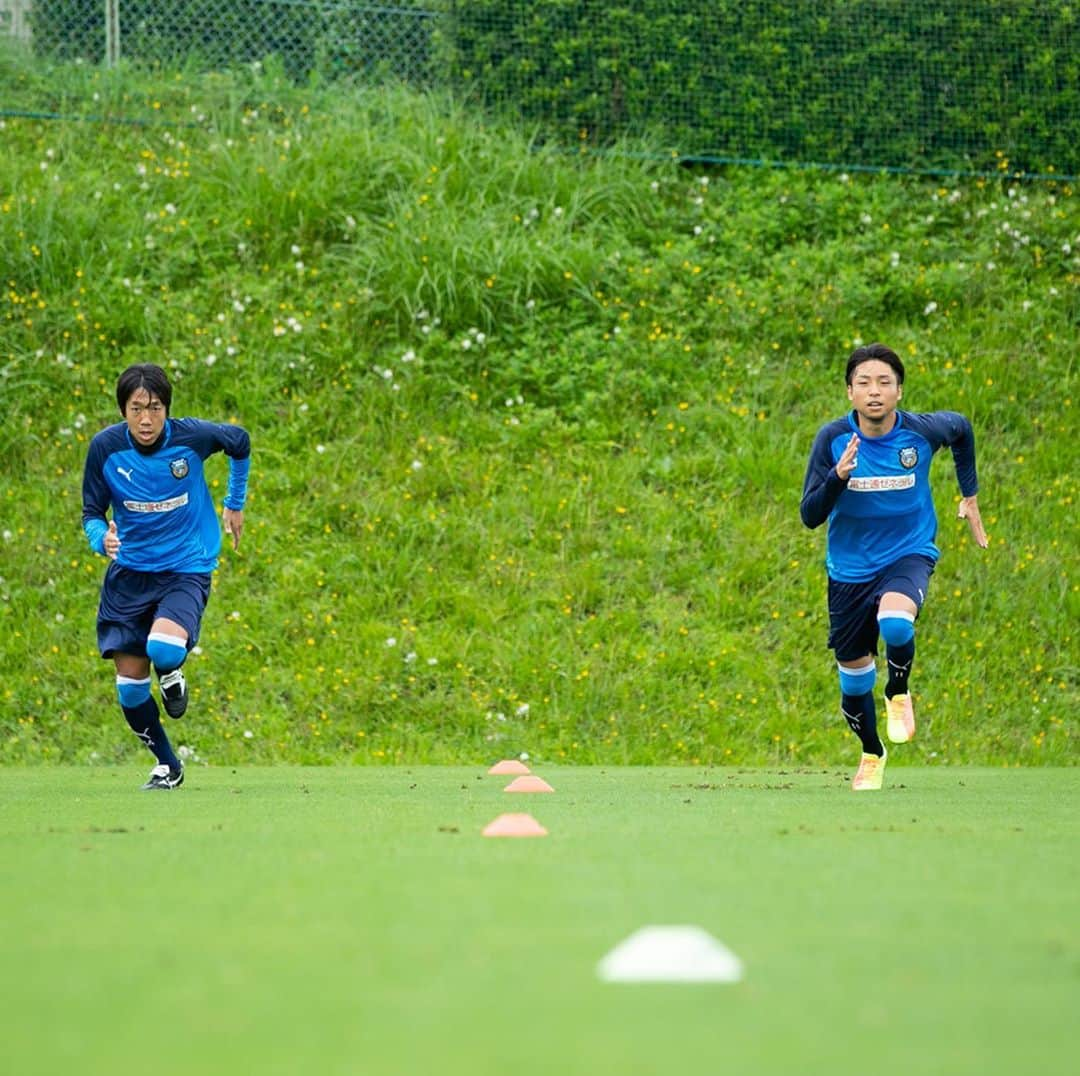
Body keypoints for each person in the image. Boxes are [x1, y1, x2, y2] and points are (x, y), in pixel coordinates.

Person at [800, 343, 987, 791]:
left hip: (908, 552)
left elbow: (961, 430)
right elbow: (810, 515)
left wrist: (970, 494)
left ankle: (897, 691)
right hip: (848, 570)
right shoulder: (833, 440)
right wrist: (837, 478)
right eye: (864, 382)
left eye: (884, 382)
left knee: (897, 622)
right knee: (852, 679)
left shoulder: (922, 432)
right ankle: (871, 752)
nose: (875, 391)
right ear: (850, 393)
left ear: (899, 391)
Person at [81, 363, 251, 790]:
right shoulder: (105, 449)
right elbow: (91, 514)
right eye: (137, 408)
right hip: (129, 577)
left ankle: (172, 672)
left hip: (184, 569)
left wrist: (234, 502)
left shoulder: (191, 437)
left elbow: (240, 442)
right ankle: (167, 765)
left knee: (164, 647)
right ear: (123, 410)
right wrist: (102, 540)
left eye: (155, 408)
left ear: (166, 409)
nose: (145, 419)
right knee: (130, 690)